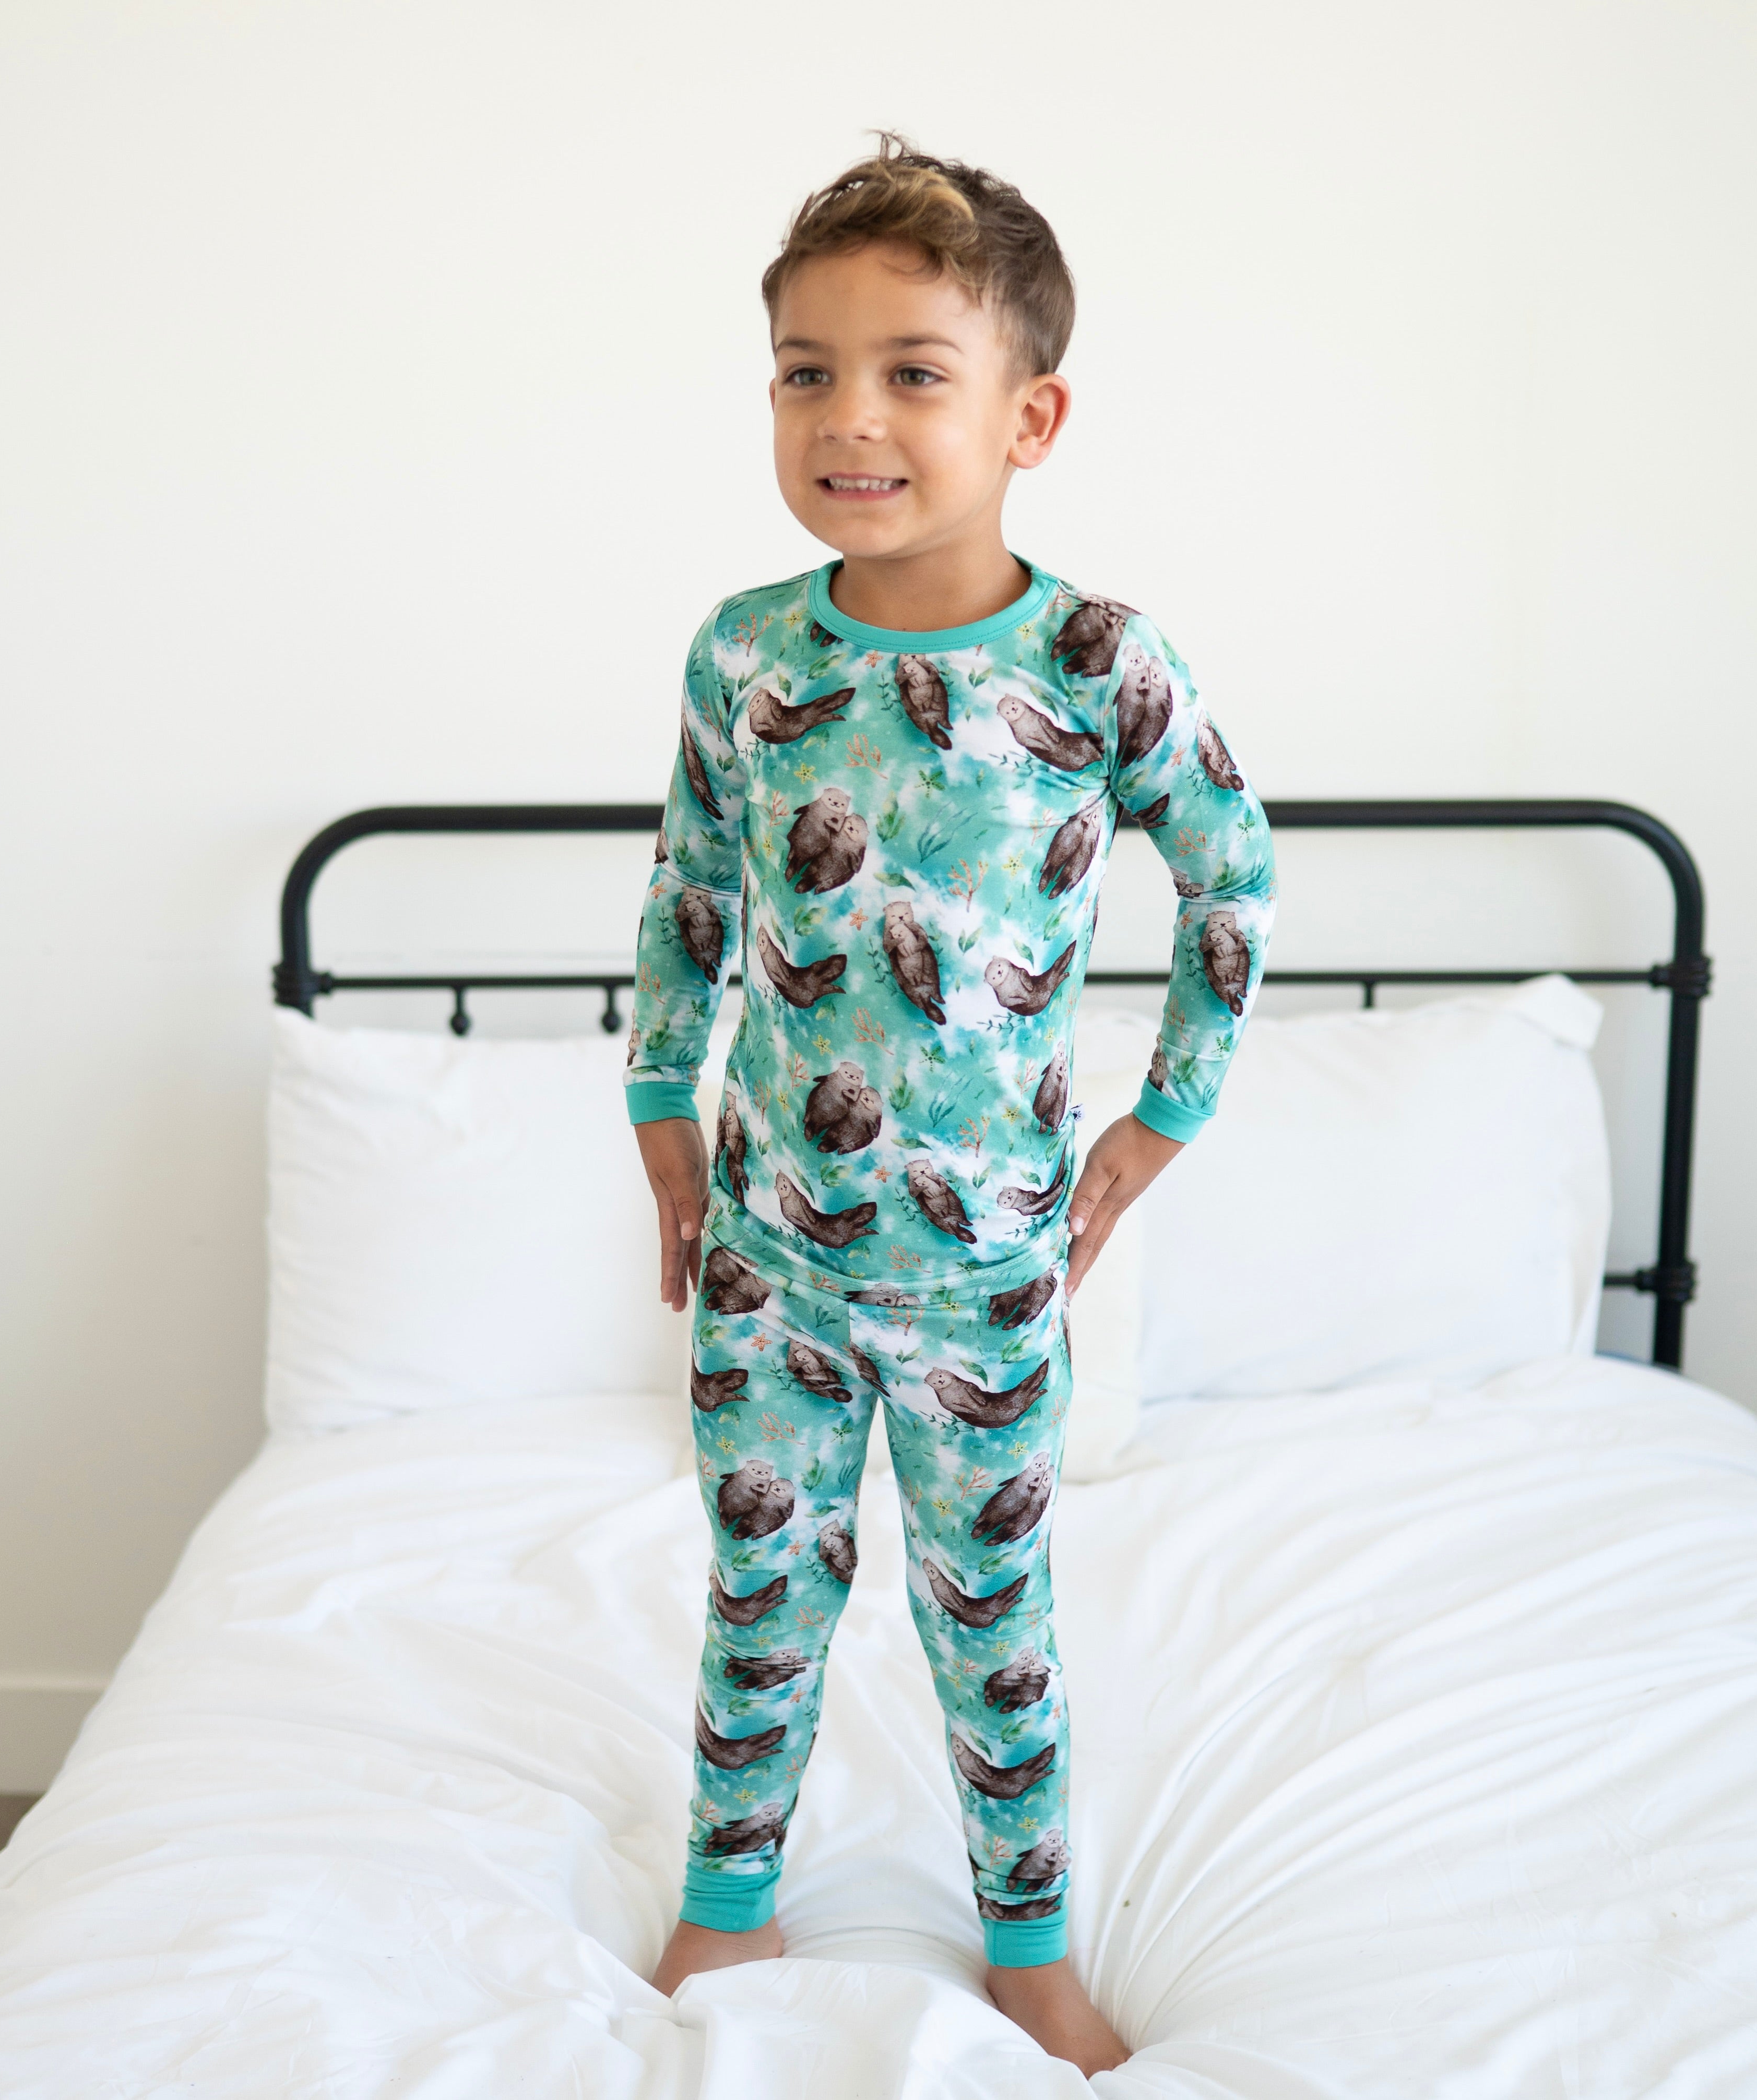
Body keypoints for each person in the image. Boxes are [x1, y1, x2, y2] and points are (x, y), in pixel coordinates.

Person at [623, 133, 1275, 2075]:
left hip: (984, 1276)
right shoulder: (747, 651)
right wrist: (663, 1101)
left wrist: (1159, 1124)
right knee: (765, 1591)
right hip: (768, 1259)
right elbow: (688, 893)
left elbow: (1233, 876)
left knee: (990, 1619)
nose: (854, 416)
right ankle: (725, 1906)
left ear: (1029, 412)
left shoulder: (1097, 666)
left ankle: (1032, 1948)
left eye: (915, 368)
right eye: (808, 371)